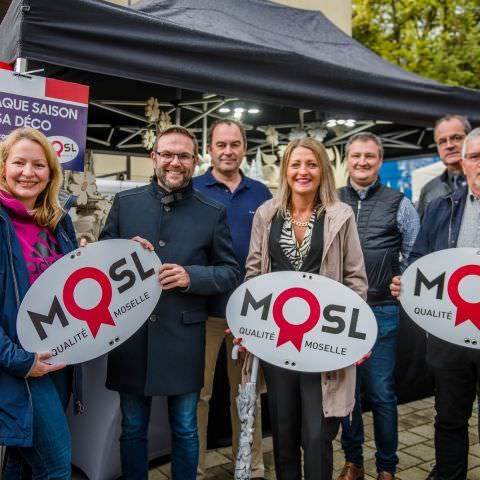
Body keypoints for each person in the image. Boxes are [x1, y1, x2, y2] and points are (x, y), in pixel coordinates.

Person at [100, 125, 240, 480]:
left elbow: (229, 271)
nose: (174, 162)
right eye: (167, 154)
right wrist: (121, 253)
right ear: (154, 157)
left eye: (183, 155)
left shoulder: (212, 211)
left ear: (195, 160)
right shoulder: (125, 203)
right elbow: (99, 264)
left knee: (185, 428)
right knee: (132, 427)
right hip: (131, 336)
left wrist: (193, 276)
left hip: (184, 336)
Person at [243, 137, 367, 480]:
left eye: (311, 164)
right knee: (283, 436)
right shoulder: (267, 215)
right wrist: (247, 323)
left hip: (323, 341)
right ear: (285, 170)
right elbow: (253, 275)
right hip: (277, 340)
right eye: (296, 164)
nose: (303, 171)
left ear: (322, 170)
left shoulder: (339, 216)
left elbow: (356, 280)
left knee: (316, 435)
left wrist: (355, 335)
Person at [391, 127, 480, 480]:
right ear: (464, 161)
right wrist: (408, 281)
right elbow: (419, 258)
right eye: (475, 157)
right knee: (449, 417)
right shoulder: (442, 205)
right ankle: (448, 474)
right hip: (451, 332)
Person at [337, 132, 420, 480]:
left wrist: (405, 278)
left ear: (380, 161)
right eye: (356, 156)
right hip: (338, 313)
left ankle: (387, 467)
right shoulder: (332, 198)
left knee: (382, 392)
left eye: (369, 156)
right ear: (347, 159)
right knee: (347, 393)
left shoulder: (399, 201)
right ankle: (353, 461)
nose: (362, 162)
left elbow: (416, 254)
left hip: (382, 309)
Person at [193, 118, 271, 479]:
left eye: (234, 144)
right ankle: (194, 468)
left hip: (249, 314)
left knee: (247, 395)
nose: (227, 151)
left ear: (244, 148)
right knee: (199, 397)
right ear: (209, 148)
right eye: (220, 144)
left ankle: (251, 465)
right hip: (200, 312)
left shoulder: (261, 193)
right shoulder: (192, 189)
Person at [0, 127, 80, 479]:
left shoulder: (57, 222)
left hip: (56, 357)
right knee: (55, 465)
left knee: (22, 462)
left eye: (39, 165)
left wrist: (126, 254)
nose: (28, 173)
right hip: (17, 363)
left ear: (51, 173)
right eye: (19, 163)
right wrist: (21, 361)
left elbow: (72, 279)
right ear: (3, 166)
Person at [417, 115, 471, 218]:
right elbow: (424, 232)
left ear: (470, 139)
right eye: (442, 141)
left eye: (456, 138)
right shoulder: (429, 190)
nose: (449, 145)